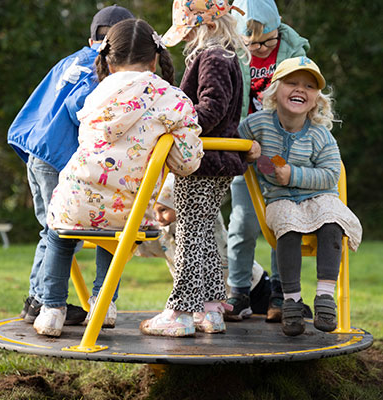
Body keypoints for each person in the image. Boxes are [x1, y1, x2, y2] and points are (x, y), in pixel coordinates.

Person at [31, 18, 204, 337]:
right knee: (114, 235)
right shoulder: (174, 100)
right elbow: (189, 162)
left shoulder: (96, 93)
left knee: (59, 234)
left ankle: (51, 309)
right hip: (132, 210)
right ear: (154, 58)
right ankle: (104, 303)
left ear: (108, 59)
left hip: (76, 199)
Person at [7, 5, 136, 325]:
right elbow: (81, 105)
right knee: (61, 231)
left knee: (49, 229)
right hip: (58, 155)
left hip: (37, 150)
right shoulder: (100, 67)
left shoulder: (72, 59)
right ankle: (42, 301)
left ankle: (35, 300)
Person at [139, 0, 250, 337]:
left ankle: (181, 311)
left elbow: (212, 106)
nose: (187, 42)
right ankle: (212, 308)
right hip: (216, 161)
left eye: (190, 33)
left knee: (189, 232)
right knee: (202, 233)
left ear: (210, 27)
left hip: (202, 161)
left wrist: (176, 123)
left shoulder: (213, 57)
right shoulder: (227, 57)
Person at [240, 56, 362, 336]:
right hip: (280, 198)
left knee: (333, 222)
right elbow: (238, 141)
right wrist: (248, 149)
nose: (300, 89)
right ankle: (291, 301)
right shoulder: (258, 124)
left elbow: (331, 174)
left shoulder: (321, 135)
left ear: (317, 97)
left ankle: (325, 297)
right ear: (274, 90)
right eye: (292, 83)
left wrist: (293, 175)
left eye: (309, 86)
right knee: (287, 226)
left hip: (319, 197)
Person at [226, 0, 311, 323]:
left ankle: (280, 292)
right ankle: (239, 293)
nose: (259, 48)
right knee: (243, 223)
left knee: (282, 221)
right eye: (251, 44)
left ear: (279, 28)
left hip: (281, 151)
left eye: (266, 41)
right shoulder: (233, 55)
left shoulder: (295, 53)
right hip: (245, 150)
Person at [136, 173, 272, 315]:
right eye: (154, 211)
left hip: (253, 286)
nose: (158, 218)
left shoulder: (204, 223)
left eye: (163, 210)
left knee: (265, 318)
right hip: (219, 298)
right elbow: (145, 247)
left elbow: (207, 211)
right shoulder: (163, 234)